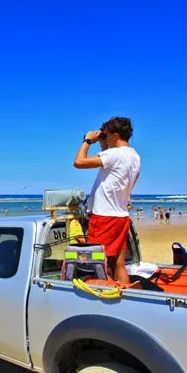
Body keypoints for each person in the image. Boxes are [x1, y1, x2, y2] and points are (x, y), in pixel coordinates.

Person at [73, 117, 141, 283]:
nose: (106, 138)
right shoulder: (134, 156)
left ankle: (105, 298)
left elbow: (79, 162)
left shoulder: (115, 154)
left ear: (115, 135)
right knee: (118, 263)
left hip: (104, 216)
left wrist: (87, 141)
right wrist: (104, 144)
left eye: (107, 135)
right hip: (120, 215)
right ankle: (125, 297)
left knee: (97, 264)